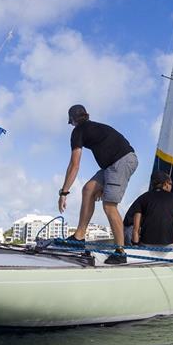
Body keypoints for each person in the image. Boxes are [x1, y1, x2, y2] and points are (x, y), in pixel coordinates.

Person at [58, 104, 138, 264]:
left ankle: (120, 252)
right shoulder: (93, 127)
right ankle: (79, 237)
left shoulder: (78, 131)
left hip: (121, 162)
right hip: (112, 165)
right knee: (88, 189)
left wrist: (63, 193)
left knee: (109, 206)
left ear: (73, 120)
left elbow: (74, 165)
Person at [131, 171, 173, 247]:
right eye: (171, 184)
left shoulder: (142, 198)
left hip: (146, 244)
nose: (171, 187)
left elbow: (136, 229)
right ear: (166, 183)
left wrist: (135, 246)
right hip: (168, 245)